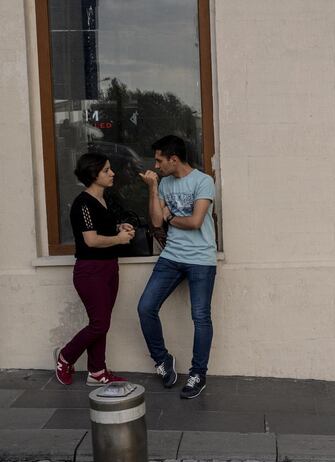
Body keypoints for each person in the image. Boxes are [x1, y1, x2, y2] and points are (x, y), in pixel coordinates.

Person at [138, 135, 217, 399]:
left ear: (174, 159)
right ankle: (163, 360)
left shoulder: (203, 181)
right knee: (146, 307)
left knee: (201, 317)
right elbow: (157, 222)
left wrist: (171, 215)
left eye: (160, 160)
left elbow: (195, 221)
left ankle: (198, 374)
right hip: (171, 257)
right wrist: (152, 189)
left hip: (200, 261)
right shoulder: (164, 183)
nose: (156, 165)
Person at [55, 153, 135, 386]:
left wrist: (120, 227)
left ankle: (97, 371)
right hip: (90, 271)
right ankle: (65, 357)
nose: (113, 173)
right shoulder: (83, 203)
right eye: (106, 170)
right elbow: (90, 240)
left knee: (101, 321)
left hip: (110, 267)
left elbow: (103, 228)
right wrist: (119, 240)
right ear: (93, 174)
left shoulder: (104, 199)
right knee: (99, 323)